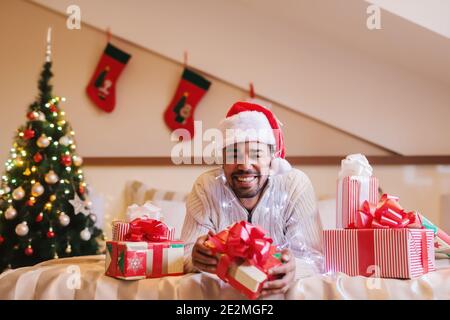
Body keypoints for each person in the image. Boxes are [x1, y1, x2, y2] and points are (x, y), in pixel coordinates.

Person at [181, 101, 324, 297]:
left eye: (256, 154)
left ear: (272, 158)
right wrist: (195, 259)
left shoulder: (295, 186)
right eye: (233, 154)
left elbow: (314, 259)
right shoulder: (206, 188)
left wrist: (294, 269)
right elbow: (185, 254)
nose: (244, 165)